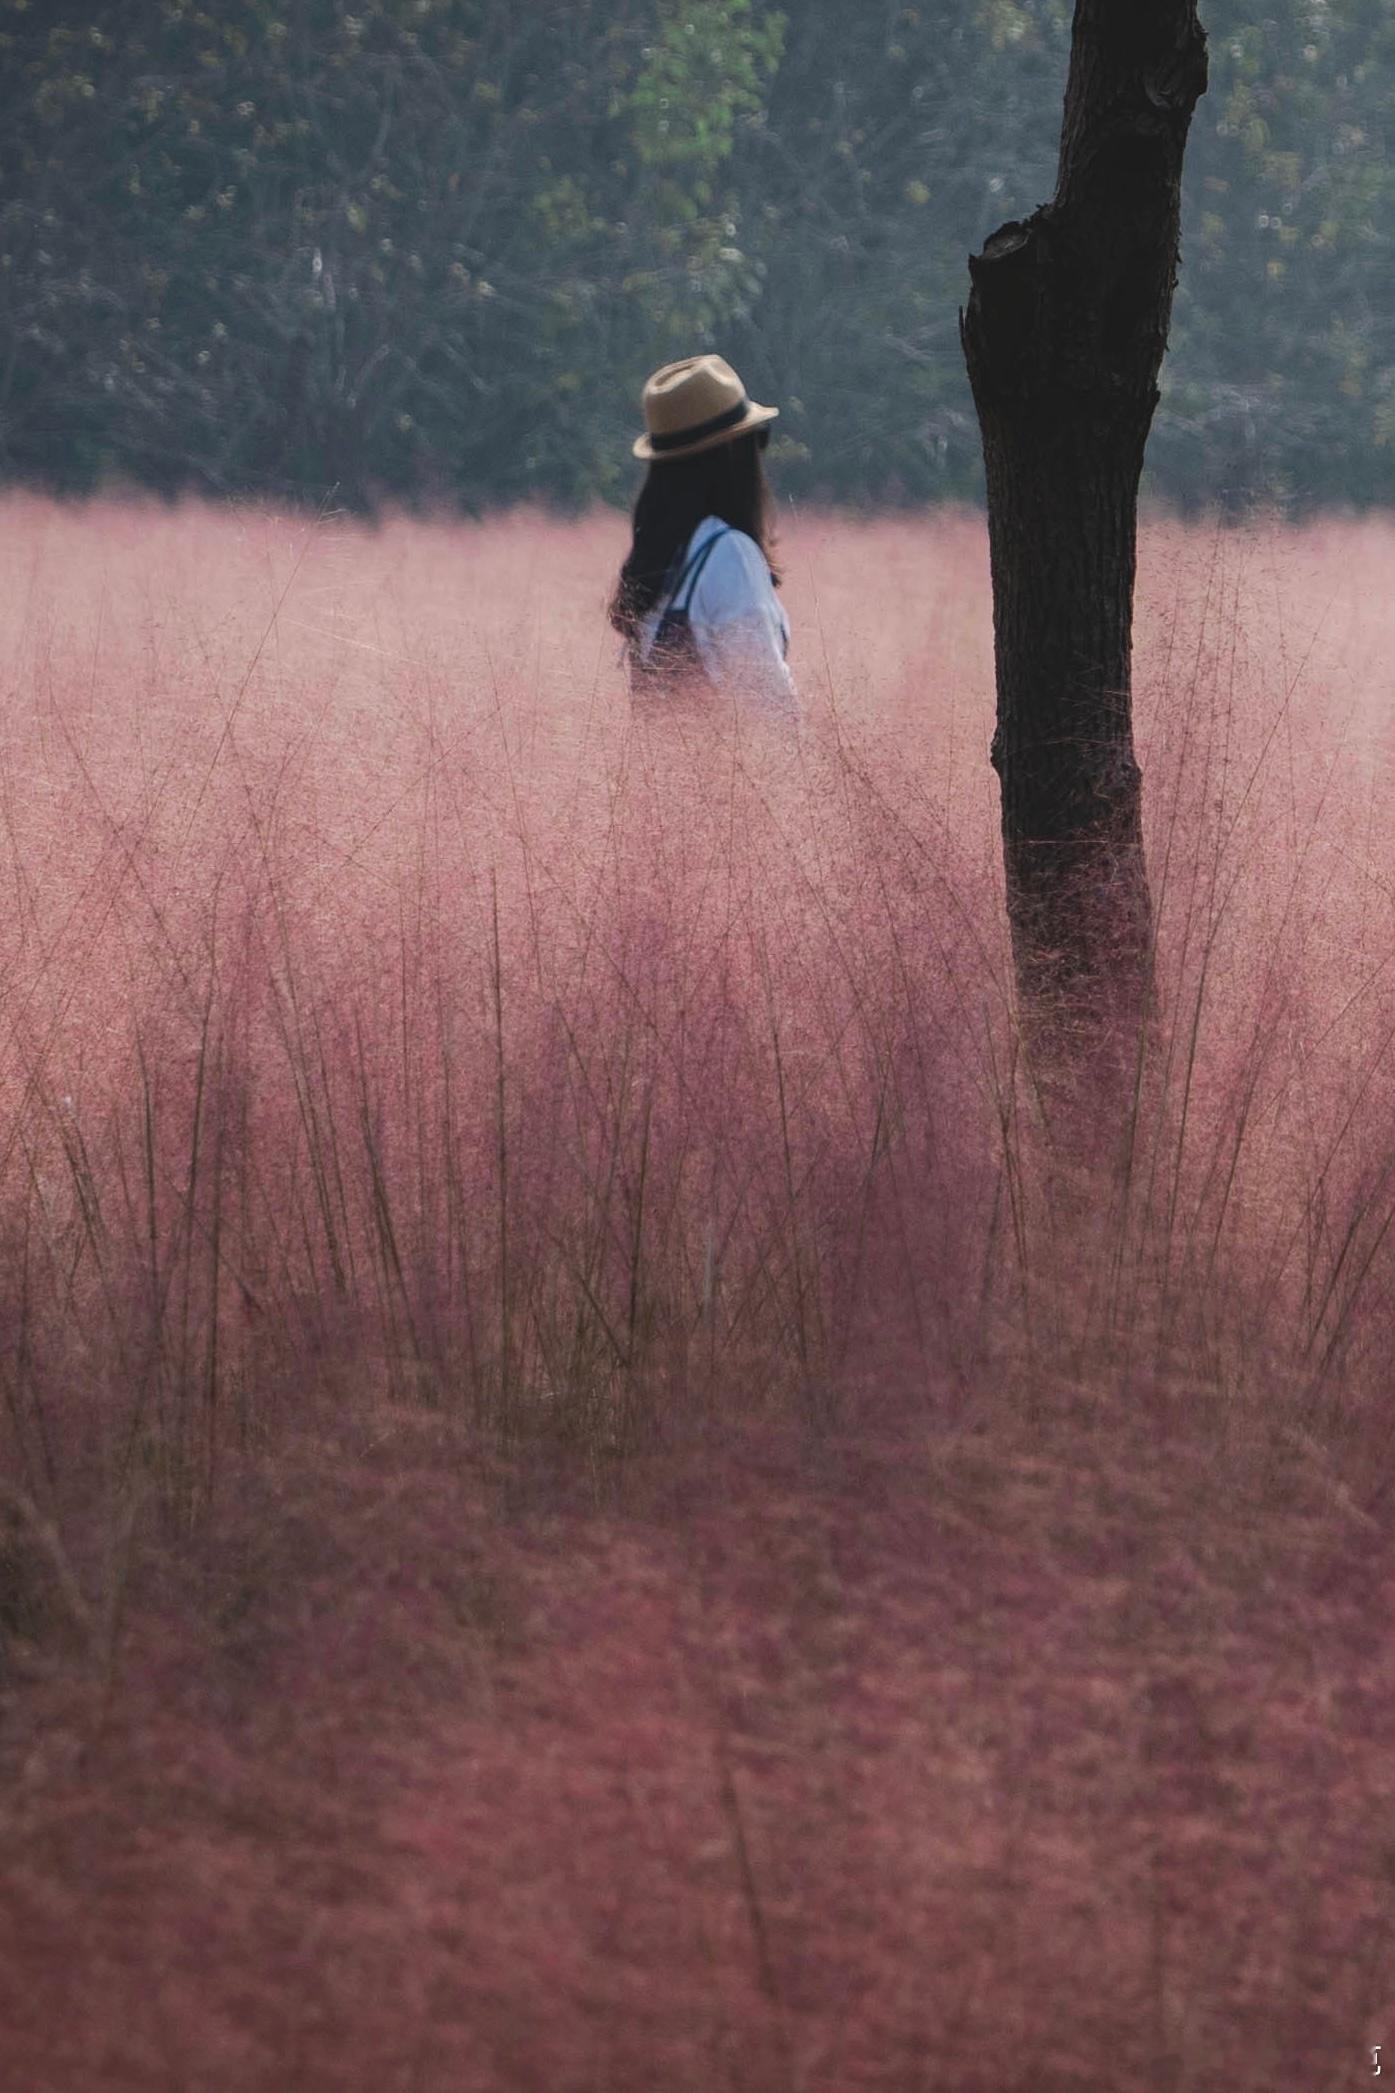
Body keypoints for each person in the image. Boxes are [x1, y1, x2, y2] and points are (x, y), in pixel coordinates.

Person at [609, 354, 795, 712]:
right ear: (731, 453)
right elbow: (768, 707)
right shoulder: (729, 553)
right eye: (756, 439)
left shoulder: (660, 557)